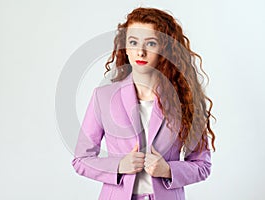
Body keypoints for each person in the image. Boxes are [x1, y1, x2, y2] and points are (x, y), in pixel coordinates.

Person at [72, 7, 216, 200]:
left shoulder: (185, 101)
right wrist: (119, 166)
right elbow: (81, 160)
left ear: (164, 49)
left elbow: (202, 165)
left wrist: (168, 170)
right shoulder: (103, 97)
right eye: (133, 42)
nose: (140, 51)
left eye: (150, 43)